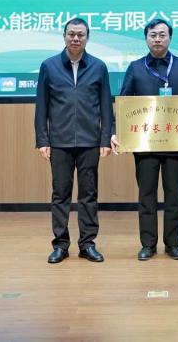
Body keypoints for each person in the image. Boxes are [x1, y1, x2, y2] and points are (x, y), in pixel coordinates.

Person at [112, 19, 178, 261]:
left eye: (162, 35)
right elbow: (124, 102)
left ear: (170, 38)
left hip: (175, 144)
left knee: (174, 195)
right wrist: (117, 132)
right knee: (146, 195)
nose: (158, 39)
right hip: (144, 144)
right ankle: (148, 245)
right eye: (153, 35)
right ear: (146, 38)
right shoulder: (136, 68)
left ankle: (173, 244)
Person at [34, 18, 113, 264]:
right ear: (64, 36)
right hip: (59, 141)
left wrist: (105, 138)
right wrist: (42, 139)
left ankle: (87, 244)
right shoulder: (49, 66)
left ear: (87, 38)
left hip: (90, 141)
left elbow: (106, 105)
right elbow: (41, 106)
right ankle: (60, 245)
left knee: (88, 195)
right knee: (60, 195)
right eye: (71, 34)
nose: (76, 38)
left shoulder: (98, 67)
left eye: (80, 34)